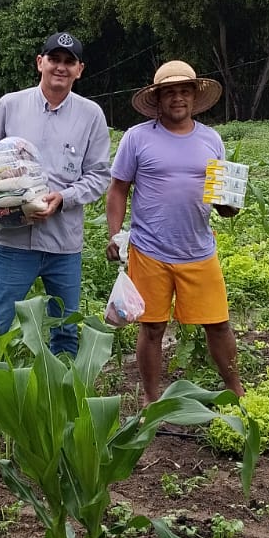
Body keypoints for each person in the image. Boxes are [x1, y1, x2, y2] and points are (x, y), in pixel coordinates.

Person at [105, 60, 245, 404]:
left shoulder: (211, 140)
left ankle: (236, 390)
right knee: (151, 328)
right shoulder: (137, 138)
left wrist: (229, 207)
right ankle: (152, 400)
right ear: (158, 99)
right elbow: (118, 188)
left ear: (194, 97)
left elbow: (223, 201)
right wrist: (114, 233)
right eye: (170, 93)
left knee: (219, 325)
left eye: (184, 91)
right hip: (149, 249)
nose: (178, 99)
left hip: (199, 249)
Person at [0, 32, 112, 357]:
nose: (60, 67)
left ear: (79, 69)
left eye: (68, 62)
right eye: (54, 59)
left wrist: (64, 199)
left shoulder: (91, 115)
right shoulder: (11, 105)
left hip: (64, 245)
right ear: (40, 62)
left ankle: (62, 405)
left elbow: (99, 175)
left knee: (65, 330)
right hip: (15, 242)